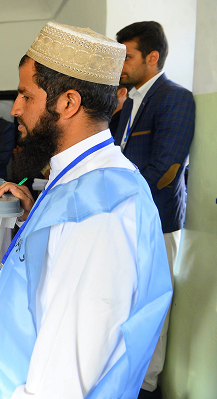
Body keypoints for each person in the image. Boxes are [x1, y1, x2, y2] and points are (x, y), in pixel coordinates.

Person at [0, 22, 172, 399]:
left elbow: (62, 383)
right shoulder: (77, 178)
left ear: (68, 102)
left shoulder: (100, 215)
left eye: (26, 95)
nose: (17, 109)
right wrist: (33, 215)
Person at [114, 21, 195, 399]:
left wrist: (119, 201)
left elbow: (166, 169)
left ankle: (145, 387)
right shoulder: (129, 102)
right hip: (123, 220)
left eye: (127, 56)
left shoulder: (175, 97)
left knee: (151, 305)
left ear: (152, 57)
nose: (121, 64)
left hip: (156, 222)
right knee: (123, 300)